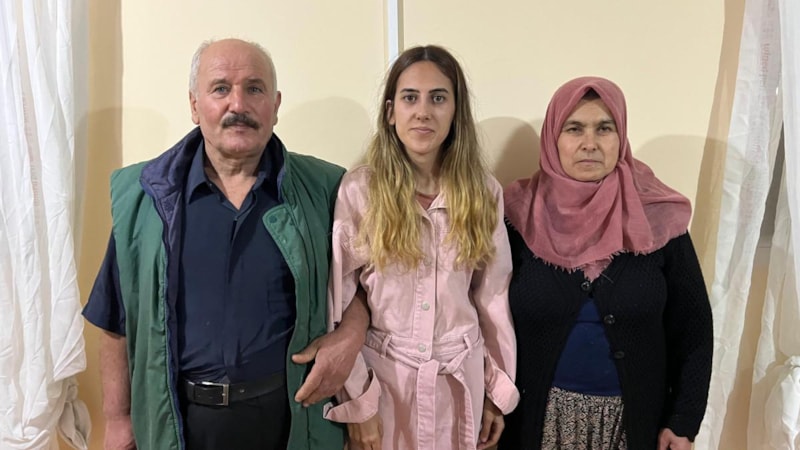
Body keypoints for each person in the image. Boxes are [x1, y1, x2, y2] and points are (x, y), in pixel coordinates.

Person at [82, 38, 370, 450]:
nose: (238, 104)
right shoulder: (148, 197)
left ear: (275, 104)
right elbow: (115, 318)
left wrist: (350, 337)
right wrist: (117, 418)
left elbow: (365, 286)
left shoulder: (325, 189)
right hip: (180, 424)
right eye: (221, 89)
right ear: (194, 105)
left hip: (291, 422)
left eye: (254, 88)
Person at [499, 76, 713, 450]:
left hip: (631, 424)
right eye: (574, 129)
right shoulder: (517, 216)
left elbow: (694, 327)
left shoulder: (658, 218)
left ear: (621, 136)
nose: (590, 143)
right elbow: (486, 319)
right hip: (538, 422)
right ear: (552, 138)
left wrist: (683, 420)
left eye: (604, 128)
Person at [322, 45, 519, 450]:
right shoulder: (362, 191)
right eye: (410, 98)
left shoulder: (483, 193)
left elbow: (493, 298)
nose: (423, 112)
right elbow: (338, 302)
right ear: (391, 112)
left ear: (456, 112)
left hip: (459, 383)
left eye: (438, 98)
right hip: (385, 383)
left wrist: (496, 391)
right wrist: (359, 401)